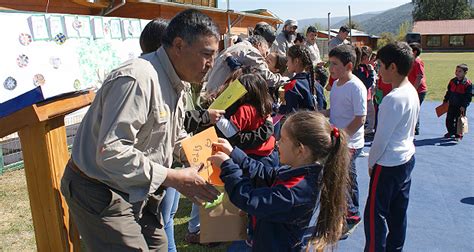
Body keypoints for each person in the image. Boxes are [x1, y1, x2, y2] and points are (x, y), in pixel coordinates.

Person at [60, 9, 221, 251]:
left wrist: (206, 154)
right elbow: (112, 152)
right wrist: (172, 177)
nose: (211, 65)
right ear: (178, 45)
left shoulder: (176, 80)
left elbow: (173, 136)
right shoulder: (137, 78)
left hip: (137, 189)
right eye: (206, 55)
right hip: (101, 191)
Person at [208, 111, 350, 251]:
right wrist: (234, 153)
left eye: (282, 139)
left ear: (301, 150)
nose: (276, 143)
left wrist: (228, 167)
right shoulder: (298, 172)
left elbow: (250, 200)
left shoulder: (296, 192)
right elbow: (265, 173)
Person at [364, 42, 420, 252]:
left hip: (388, 164)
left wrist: (371, 163)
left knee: (374, 215)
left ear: (393, 67)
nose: (378, 70)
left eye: (380, 65)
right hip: (406, 159)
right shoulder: (411, 91)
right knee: (398, 212)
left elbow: (380, 139)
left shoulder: (392, 99)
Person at [322, 44, 367, 234]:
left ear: (348, 66)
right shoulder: (337, 84)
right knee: (338, 178)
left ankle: (353, 215)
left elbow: (360, 117)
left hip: (350, 144)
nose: (330, 68)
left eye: (334, 64)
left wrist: (344, 137)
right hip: (338, 140)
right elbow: (337, 110)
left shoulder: (356, 87)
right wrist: (321, 113)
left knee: (347, 179)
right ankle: (342, 212)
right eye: (329, 63)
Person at [203, 35, 288, 96]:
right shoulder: (251, 51)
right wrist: (283, 79)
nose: (264, 57)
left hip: (211, 93)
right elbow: (266, 77)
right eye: (265, 53)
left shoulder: (237, 47)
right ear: (259, 45)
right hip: (219, 96)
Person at [278, 45, 317, 115]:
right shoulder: (316, 85)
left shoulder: (291, 86)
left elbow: (288, 114)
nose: (286, 64)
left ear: (296, 61)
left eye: (288, 60)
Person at [442, 63, 472, 141]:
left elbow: (468, 97)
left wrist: (464, 106)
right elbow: (448, 92)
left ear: (465, 73)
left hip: (461, 106)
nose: (457, 73)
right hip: (451, 104)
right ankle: (451, 131)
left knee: (459, 120)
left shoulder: (467, 84)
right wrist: (445, 100)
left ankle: (458, 134)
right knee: (449, 119)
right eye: (456, 71)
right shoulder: (452, 81)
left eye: (459, 71)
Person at [353, 46, 376, 136]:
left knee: (367, 112)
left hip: (366, 94)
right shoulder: (361, 69)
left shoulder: (361, 67)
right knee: (367, 113)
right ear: (365, 58)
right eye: (368, 58)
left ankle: (367, 128)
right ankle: (368, 129)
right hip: (363, 95)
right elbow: (367, 83)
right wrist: (371, 73)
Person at [408, 42, 427, 135]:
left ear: (414, 52)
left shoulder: (417, 62)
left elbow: (419, 77)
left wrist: (413, 90)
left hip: (419, 90)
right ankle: (413, 127)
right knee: (411, 108)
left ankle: (415, 128)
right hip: (413, 89)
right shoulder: (412, 61)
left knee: (414, 108)